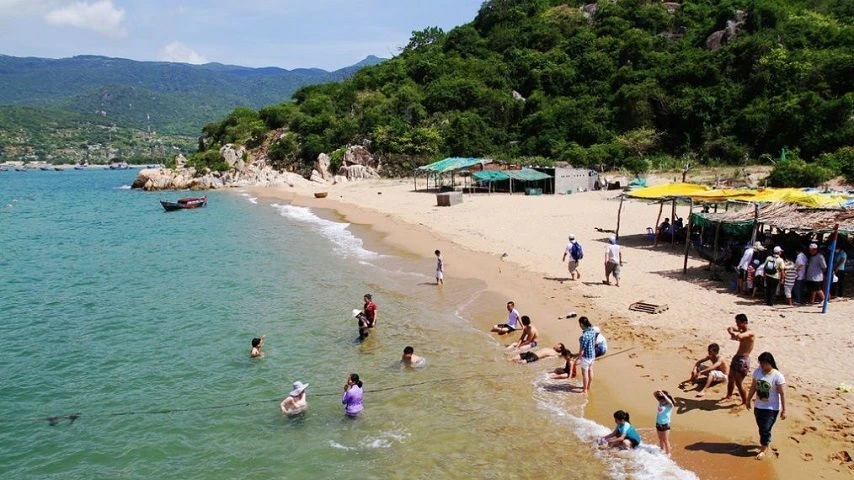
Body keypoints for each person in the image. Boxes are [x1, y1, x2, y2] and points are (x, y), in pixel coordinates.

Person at [745, 352, 787, 460]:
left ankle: (764, 447)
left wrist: (784, 410)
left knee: (765, 428)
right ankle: (765, 441)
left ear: (769, 363)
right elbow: (753, 387)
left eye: (763, 364)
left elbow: (782, 394)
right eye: (760, 363)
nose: (761, 366)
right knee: (762, 427)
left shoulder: (777, 376)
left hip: (771, 408)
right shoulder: (758, 371)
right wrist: (748, 399)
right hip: (758, 406)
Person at [723, 314, 755, 404]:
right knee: (731, 378)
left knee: (739, 382)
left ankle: (745, 401)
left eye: (739, 323)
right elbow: (730, 328)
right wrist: (732, 331)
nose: (737, 325)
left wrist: (733, 333)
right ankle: (729, 396)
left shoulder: (750, 333)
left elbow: (739, 337)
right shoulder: (741, 330)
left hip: (743, 360)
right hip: (737, 357)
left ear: (744, 322)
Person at [573, 316, 598, 394]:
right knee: (590, 370)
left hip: (586, 357)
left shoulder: (584, 336)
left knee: (585, 373)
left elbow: (582, 350)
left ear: (581, 324)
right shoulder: (593, 330)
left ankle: (585, 390)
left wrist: (578, 358)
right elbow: (594, 341)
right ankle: (588, 387)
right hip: (592, 355)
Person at [654, 390, 676, 456]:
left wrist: (664, 395)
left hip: (665, 424)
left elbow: (670, 402)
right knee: (660, 439)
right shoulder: (660, 403)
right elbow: (654, 394)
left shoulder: (669, 406)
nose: (661, 401)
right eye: (660, 400)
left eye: (662, 400)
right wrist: (658, 391)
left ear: (666, 399)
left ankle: (668, 453)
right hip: (658, 424)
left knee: (666, 440)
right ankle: (661, 450)